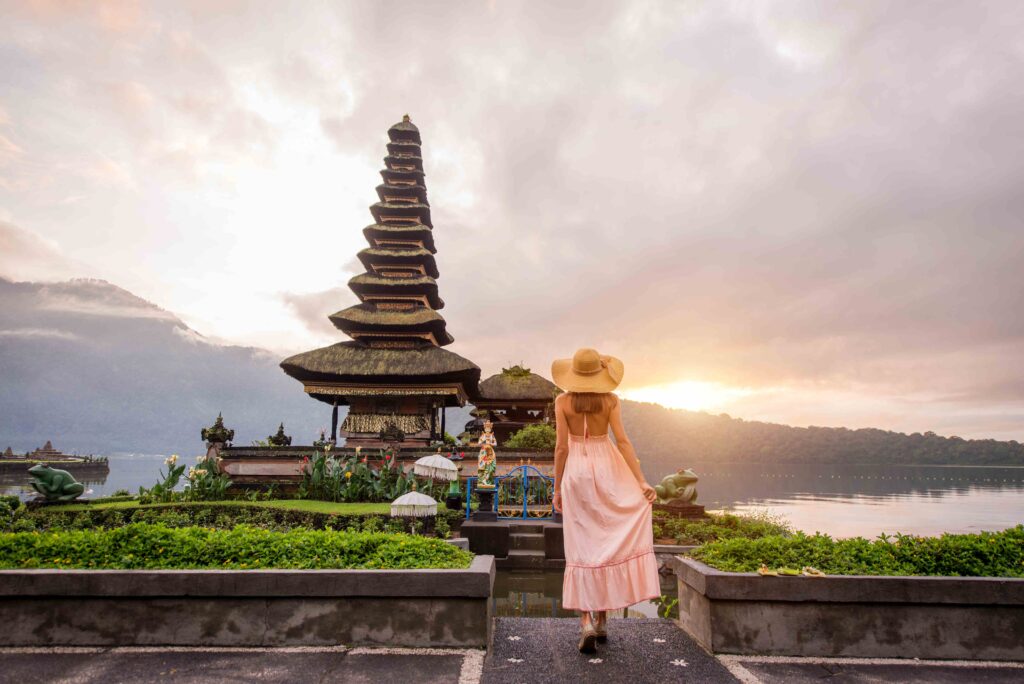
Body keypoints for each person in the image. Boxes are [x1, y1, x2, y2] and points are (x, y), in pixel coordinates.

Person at [551, 347, 660, 653]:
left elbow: (561, 448)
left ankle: (585, 622)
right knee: (607, 539)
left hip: (576, 472)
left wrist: (557, 488)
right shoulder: (610, 400)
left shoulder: (562, 401)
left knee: (581, 546)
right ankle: (602, 621)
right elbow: (623, 441)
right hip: (608, 469)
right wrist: (640, 481)